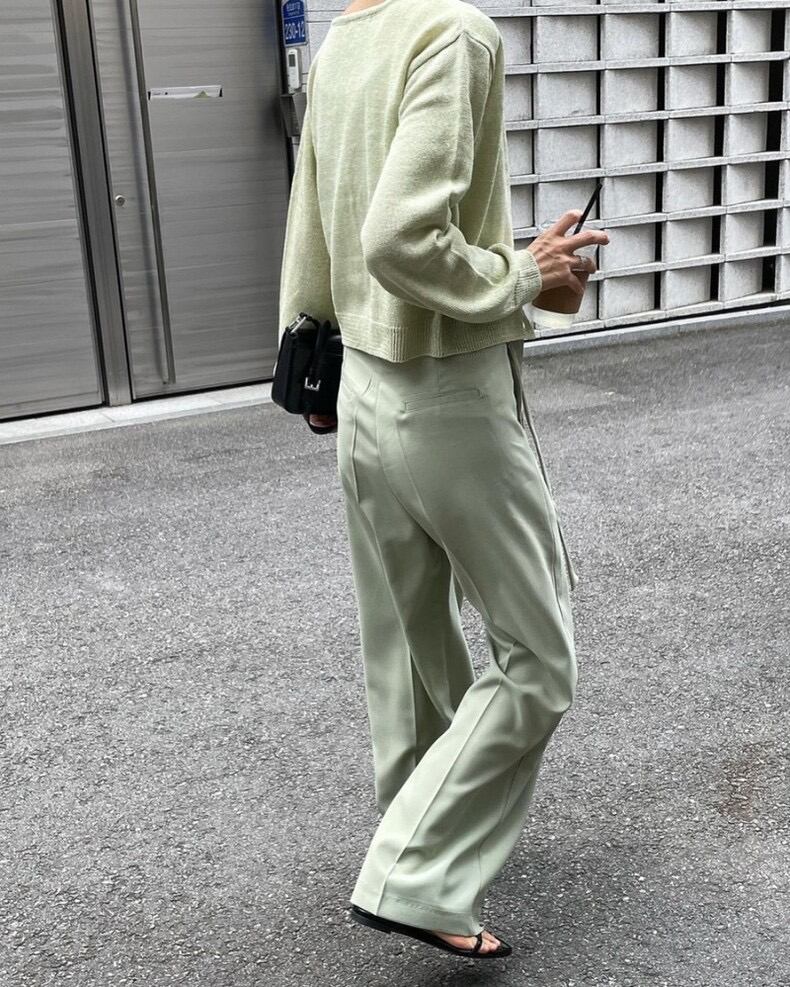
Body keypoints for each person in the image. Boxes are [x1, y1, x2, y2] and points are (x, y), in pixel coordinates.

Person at [277, 0, 609, 960]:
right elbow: (399, 237)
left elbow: (314, 215)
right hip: (447, 395)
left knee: (407, 635)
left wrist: (310, 356)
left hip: (361, 384)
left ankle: (420, 822)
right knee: (537, 655)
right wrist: (522, 275)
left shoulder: (348, 37)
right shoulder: (454, 32)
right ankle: (417, 873)